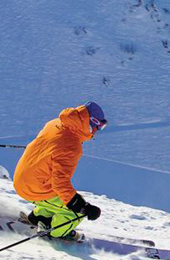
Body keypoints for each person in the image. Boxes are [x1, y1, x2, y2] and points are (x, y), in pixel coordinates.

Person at [13, 102, 106, 241]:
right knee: (74, 213)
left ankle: (40, 216)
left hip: (23, 177)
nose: (97, 131)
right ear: (90, 122)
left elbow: (52, 145)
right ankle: (55, 231)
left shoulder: (55, 123)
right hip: (34, 187)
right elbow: (60, 183)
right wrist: (83, 208)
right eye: (99, 126)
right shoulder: (72, 147)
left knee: (58, 197)